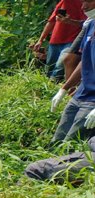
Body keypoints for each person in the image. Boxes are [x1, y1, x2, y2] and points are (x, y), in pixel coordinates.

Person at [50, 0, 95, 143]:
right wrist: (63, 89)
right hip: (81, 95)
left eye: (89, 1)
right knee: (56, 141)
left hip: (92, 102)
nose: (83, 7)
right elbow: (84, 61)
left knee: (70, 144)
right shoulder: (91, 25)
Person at [32, 0, 87, 81]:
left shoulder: (82, 3)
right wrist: (40, 40)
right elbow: (51, 22)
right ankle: (47, 87)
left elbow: (85, 24)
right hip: (54, 41)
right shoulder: (62, 2)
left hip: (71, 40)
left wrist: (69, 21)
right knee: (49, 67)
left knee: (59, 66)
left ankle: (53, 85)